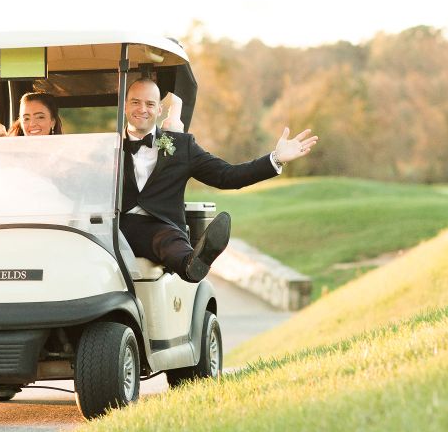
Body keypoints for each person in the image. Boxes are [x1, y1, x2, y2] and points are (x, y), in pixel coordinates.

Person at [119, 76, 317, 282]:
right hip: (116, 226)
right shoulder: (107, 148)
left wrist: (275, 159)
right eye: (135, 102)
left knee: (171, 241)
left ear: (159, 109)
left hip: (159, 228)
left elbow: (227, 176)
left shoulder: (181, 146)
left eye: (150, 104)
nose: (142, 109)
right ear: (124, 106)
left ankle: (192, 263)